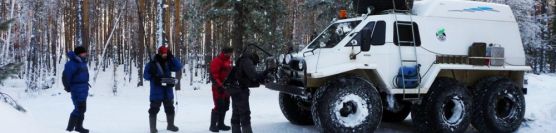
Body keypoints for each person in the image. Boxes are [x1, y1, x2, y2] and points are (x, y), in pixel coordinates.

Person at [230, 52, 273, 133]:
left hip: (234, 89)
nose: (255, 65)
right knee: (244, 114)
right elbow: (254, 76)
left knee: (236, 113)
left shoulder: (242, 60)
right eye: (255, 63)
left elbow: (246, 77)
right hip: (240, 90)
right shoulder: (247, 61)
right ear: (254, 59)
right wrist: (266, 72)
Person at [144, 46, 183, 133]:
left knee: (170, 108)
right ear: (160, 53)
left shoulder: (169, 62)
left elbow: (179, 66)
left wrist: (172, 57)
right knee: (154, 109)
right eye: (164, 54)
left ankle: (170, 125)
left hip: (167, 91)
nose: (165, 55)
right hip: (156, 91)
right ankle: (153, 129)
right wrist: (153, 76)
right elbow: (145, 76)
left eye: (166, 53)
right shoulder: (152, 63)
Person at [62, 46, 90, 133]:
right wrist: (67, 87)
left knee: (82, 108)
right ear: (79, 53)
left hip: (83, 88)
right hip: (77, 89)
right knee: (79, 108)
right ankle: (69, 129)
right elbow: (65, 76)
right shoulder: (72, 63)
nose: (86, 54)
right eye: (84, 52)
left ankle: (78, 127)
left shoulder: (82, 62)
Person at [209, 47, 234, 132]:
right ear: (225, 53)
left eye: (231, 53)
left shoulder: (229, 61)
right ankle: (212, 126)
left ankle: (220, 124)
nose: (231, 54)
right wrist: (220, 86)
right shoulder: (217, 61)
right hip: (218, 88)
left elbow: (230, 74)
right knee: (218, 106)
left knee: (225, 106)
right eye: (230, 53)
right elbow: (214, 75)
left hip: (227, 88)